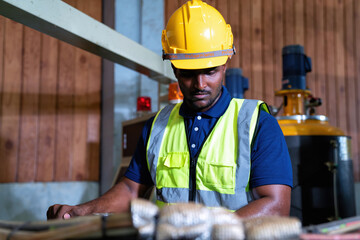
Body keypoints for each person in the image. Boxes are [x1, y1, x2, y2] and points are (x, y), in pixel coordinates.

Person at [47, 0, 292, 220]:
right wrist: (82, 211)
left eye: (210, 71)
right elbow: (131, 191)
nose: (200, 84)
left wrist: (209, 232)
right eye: (187, 73)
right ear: (174, 68)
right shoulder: (157, 127)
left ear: (226, 63)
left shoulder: (257, 124)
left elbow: (276, 205)